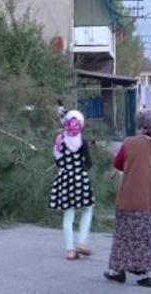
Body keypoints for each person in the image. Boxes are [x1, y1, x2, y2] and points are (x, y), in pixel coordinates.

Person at [104, 109, 151, 288]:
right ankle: (148, 274)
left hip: (131, 198)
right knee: (148, 238)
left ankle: (117, 271)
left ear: (140, 125)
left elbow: (117, 164)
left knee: (124, 236)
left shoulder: (130, 143)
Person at [48, 110, 94, 260]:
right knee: (87, 209)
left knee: (68, 214)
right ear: (81, 125)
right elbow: (88, 163)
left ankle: (69, 250)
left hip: (65, 179)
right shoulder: (83, 142)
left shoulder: (60, 140)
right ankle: (81, 241)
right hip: (81, 178)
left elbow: (57, 160)